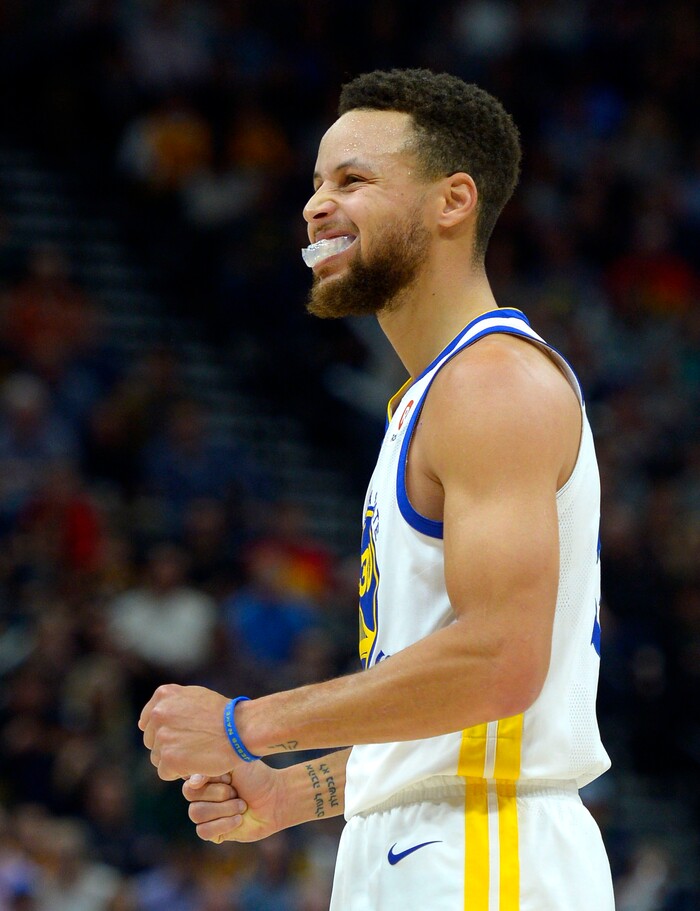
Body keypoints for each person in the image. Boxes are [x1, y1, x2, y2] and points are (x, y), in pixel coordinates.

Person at [139, 68, 615, 910]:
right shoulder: (434, 395)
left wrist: (242, 723)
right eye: (317, 183)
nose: (316, 205)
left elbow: (501, 661)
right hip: (426, 843)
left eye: (352, 180)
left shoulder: (493, 384)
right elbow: (447, 706)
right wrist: (295, 794)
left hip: (486, 851)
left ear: (452, 201)